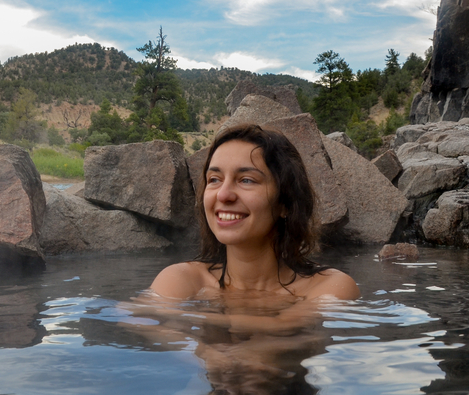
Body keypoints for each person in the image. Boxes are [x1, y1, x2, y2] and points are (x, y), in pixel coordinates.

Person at [150, 124, 359, 301]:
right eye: (214, 179)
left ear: (285, 203)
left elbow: (263, 349)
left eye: (246, 180)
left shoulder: (329, 289)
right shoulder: (180, 281)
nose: (223, 195)